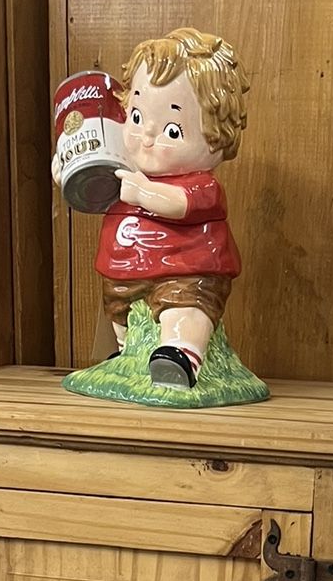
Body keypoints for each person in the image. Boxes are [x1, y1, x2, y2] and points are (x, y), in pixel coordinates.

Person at [96, 28, 250, 389]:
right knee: (118, 309)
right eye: (136, 118)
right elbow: (90, 190)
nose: (146, 136)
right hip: (124, 267)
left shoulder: (201, 185)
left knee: (186, 306)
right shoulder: (126, 166)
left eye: (172, 130)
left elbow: (178, 205)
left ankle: (180, 353)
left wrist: (145, 193)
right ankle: (127, 349)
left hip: (186, 268)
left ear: (217, 134)